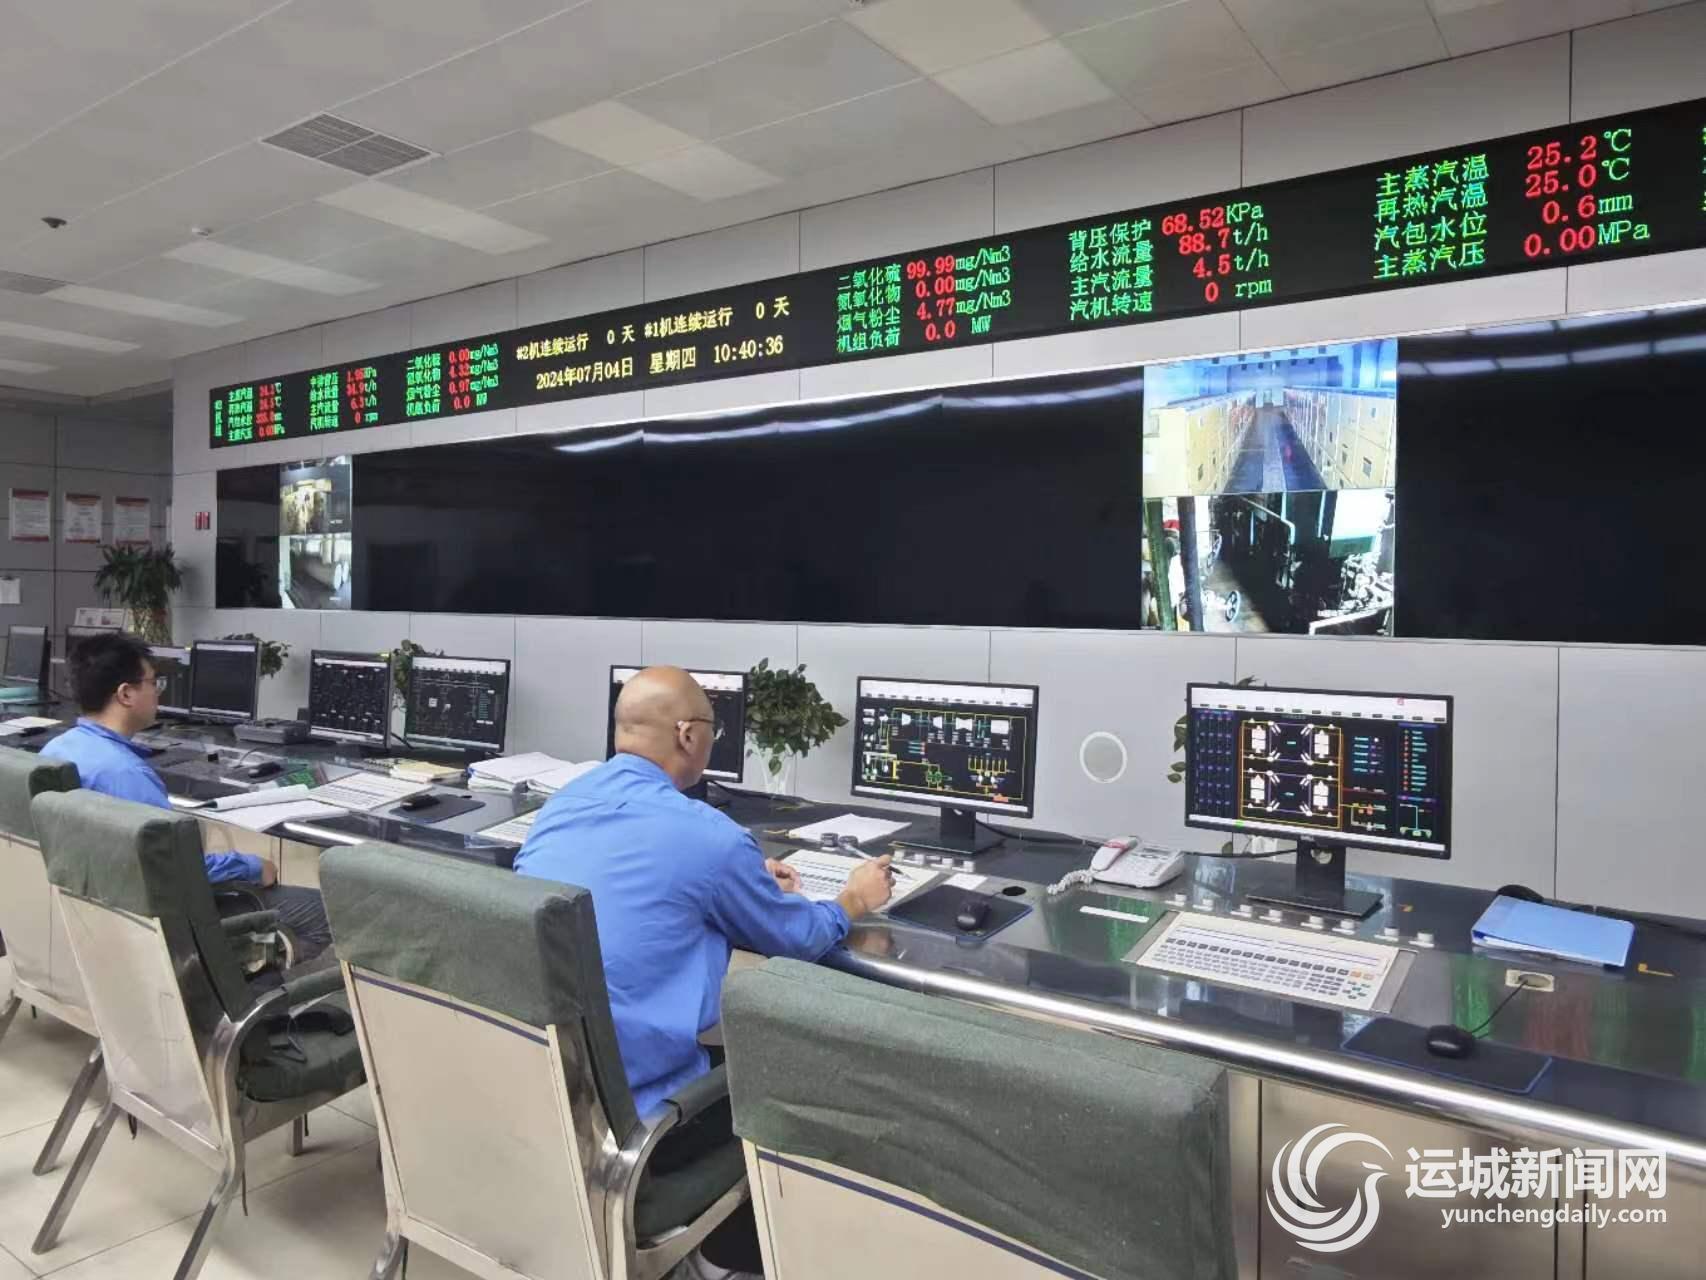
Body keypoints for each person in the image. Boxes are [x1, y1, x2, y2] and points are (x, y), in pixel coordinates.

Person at [515, 666, 893, 1280]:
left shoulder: (561, 807)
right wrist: (852, 899)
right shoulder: (707, 836)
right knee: (799, 1070)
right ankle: (723, 1260)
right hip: (639, 1122)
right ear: (688, 735)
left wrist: (739, 882)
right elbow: (795, 939)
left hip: (548, 1087)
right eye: (714, 730)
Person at [41, 632, 333, 964]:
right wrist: (252, 866)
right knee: (322, 912)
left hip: (99, 913)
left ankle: (242, 960)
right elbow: (178, 871)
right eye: (153, 682)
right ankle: (238, 969)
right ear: (125, 694)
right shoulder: (127, 774)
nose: (158, 692)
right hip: (163, 927)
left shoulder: (57, 750)